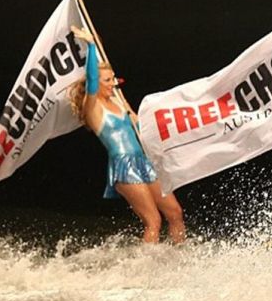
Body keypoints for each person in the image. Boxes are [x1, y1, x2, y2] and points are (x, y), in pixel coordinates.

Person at [68, 27, 185, 243]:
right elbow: (92, 79)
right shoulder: (92, 108)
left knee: (175, 213)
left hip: (143, 161)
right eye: (107, 80)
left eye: (113, 78)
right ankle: (145, 263)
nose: (113, 83)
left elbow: (139, 126)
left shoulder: (118, 101)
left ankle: (179, 255)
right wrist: (91, 45)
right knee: (153, 221)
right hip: (124, 165)